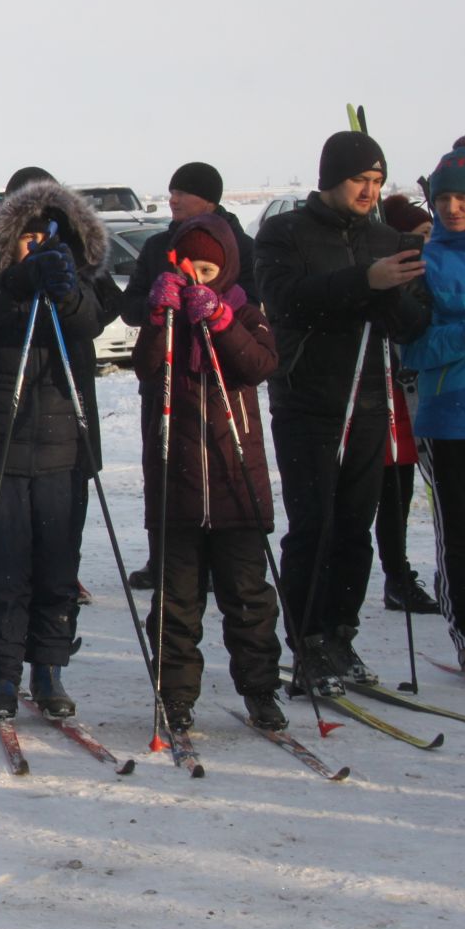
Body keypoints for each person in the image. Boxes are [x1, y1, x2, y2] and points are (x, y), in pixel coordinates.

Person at [255, 131, 429, 696]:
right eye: (361, 179)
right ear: (332, 177)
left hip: (370, 398)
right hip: (309, 397)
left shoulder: (387, 237)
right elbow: (285, 297)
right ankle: (306, 639)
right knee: (315, 524)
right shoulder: (286, 232)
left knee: (356, 526)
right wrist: (364, 282)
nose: (369, 190)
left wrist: (393, 293)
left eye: (377, 181)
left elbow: (409, 323)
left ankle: (339, 633)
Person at [0, 177, 109, 719]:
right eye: (27, 238)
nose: (38, 247)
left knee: (55, 568)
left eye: (48, 239)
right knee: (2, 569)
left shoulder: (80, 286)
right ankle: (1, 675)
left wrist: (64, 288)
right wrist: (21, 279)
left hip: (61, 450)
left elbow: (91, 319)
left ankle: (49, 670)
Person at [133, 215, 287, 730]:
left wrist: (221, 320)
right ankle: (174, 695)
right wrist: (160, 318)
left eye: (208, 269)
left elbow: (260, 365)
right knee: (176, 605)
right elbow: (146, 368)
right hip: (176, 487)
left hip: (235, 483)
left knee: (248, 600)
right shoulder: (167, 317)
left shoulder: (246, 311)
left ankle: (262, 690)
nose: (198, 278)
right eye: (188, 268)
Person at [118, 161, 261, 591]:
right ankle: (166, 559)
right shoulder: (159, 244)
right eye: (171, 191)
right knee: (165, 468)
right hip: (165, 374)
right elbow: (131, 306)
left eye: (183, 192)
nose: (172, 199)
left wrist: (217, 311)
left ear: (210, 200)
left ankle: (223, 559)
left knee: (225, 466)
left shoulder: (242, 246)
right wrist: (157, 307)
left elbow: (253, 301)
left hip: (223, 379)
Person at [398, 145, 465, 668]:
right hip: (448, 416)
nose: (452, 208)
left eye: (462, 197)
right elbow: (415, 348)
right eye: (444, 197)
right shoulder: (425, 261)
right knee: (459, 534)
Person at [375, 194, 440, 614]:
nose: (426, 243)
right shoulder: (388, 275)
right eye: (419, 236)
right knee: (389, 491)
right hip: (384, 395)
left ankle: (398, 576)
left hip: (416, 394)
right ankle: (395, 576)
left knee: (403, 488)